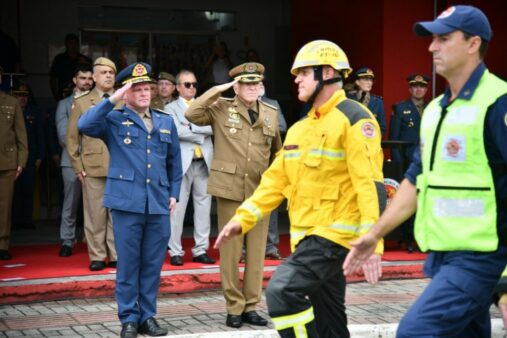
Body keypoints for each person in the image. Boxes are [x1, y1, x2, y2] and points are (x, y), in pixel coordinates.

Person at [343, 5, 507, 337]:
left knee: (415, 331)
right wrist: (375, 234)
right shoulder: (435, 110)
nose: (432, 47)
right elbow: (415, 180)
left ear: (474, 43)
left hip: (481, 257)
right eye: (432, 39)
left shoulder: (497, 103)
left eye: (444, 39)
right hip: (444, 255)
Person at [215, 40, 386, 338]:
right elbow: (274, 181)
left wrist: (373, 241)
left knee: (282, 292)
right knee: (330, 320)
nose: (296, 79)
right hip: (306, 237)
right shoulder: (299, 129)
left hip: (334, 236)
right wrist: (242, 219)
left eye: (304, 72)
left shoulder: (355, 119)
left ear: (328, 72)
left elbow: (370, 184)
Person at [78, 62, 182, 338]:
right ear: (126, 91)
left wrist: (174, 193)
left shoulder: (165, 120)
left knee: (151, 264)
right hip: (127, 202)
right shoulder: (113, 119)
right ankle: (128, 319)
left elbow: (175, 164)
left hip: (158, 202)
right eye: (137, 88)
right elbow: (84, 124)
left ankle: (148, 316)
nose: (145, 93)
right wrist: (113, 97)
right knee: (128, 263)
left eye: (148, 88)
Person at [185, 62, 282, 328]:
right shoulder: (220, 108)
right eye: (246, 83)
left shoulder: (271, 113)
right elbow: (192, 114)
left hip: (260, 191)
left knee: (256, 252)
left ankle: (251, 306)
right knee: (230, 251)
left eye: (256, 83)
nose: (252, 88)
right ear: (235, 87)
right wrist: (217, 89)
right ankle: (233, 307)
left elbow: (277, 153)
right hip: (229, 190)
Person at [66, 57, 117, 271]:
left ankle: (115, 255)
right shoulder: (82, 102)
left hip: (120, 166)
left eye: (111, 73)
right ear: (94, 77)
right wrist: (78, 167)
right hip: (92, 166)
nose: (108, 76)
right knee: (95, 214)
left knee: (117, 214)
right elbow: (72, 137)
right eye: (103, 72)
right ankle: (97, 255)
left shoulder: (124, 99)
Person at [166, 70, 215, 266]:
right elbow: (175, 131)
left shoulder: (206, 106)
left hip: (204, 161)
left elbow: (215, 127)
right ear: (177, 87)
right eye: (187, 84)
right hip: (181, 164)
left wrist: (190, 127)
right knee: (176, 209)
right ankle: (175, 251)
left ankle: (200, 249)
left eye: (194, 84)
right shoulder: (170, 108)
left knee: (204, 209)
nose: (192, 88)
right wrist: (199, 131)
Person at [55, 63, 93, 257]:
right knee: (71, 204)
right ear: (74, 80)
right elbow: (63, 136)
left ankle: (93, 242)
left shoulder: (98, 102)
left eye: (89, 78)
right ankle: (68, 241)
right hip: (70, 161)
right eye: (82, 78)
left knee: (95, 205)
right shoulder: (63, 104)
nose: (86, 82)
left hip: (95, 161)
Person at [389, 73, 429, 253]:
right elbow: (394, 140)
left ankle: (424, 237)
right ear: (410, 88)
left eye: (422, 86)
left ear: (426, 89)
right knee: (408, 202)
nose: (419, 89)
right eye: (415, 86)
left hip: (428, 164)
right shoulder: (400, 108)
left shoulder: (432, 108)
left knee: (426, 202)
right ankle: (408, 238)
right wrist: (400, 167)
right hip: (408, 163)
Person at [0, 66, 28, 260]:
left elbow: (21, 135)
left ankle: (2, 244)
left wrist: (21, 161)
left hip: (7, 162)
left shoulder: (10, 102)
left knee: (4, 206)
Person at [258, 81, 287, 260]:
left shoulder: (272, 103)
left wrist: (261, 125)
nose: (257, 86)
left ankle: (270, 245)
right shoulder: (236, 103)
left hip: (268, 158)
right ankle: (245, 247)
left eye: (260, 82)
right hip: (246, 159)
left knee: (271, 204)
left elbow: (282, 126)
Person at [11, 83, 45, 229]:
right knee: (13, 190)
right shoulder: (10, 110)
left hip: (31, 156)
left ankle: (26, 220)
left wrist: (40, 157)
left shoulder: (34, 112)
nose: (22, 98)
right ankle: (13, 221)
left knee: (28, 188)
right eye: (19, 95)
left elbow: (40, 136)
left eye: (25, 95)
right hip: (12, 156)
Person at [49, 33, 92, 101]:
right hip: (63, 93)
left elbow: (92, 78)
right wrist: (55, 95)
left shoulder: (84, 60)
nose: (73, 45)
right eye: (71, 43)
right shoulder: (59, 59)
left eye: (75, 43)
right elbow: (53, 78)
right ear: (66, 44)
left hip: (82, 93)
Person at [347, 67, 386, 136]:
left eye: (371, 80)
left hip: (370, 142)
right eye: (366, 79)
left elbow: (382, 128)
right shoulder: (348, 99)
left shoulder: (378, 102)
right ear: (357, 82)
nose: (370, 83)